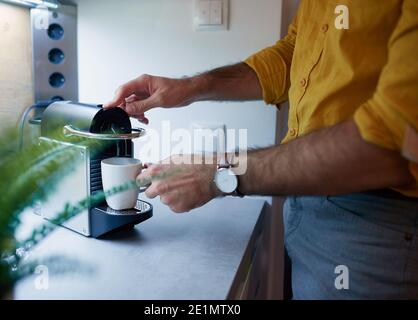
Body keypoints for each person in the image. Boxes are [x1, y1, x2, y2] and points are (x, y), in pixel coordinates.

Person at [103, 0, 418, 299]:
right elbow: (294, 54)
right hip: (309, 205)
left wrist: (220, 173)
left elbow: (393, 142)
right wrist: (189, 88)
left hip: (377, 229)